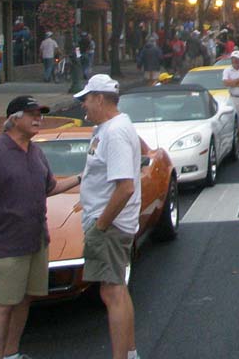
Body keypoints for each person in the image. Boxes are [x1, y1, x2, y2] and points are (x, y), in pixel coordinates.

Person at [0, 95, 80, 359]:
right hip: (5, 244)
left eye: (41, 114)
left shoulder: (36, 152)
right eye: (32, 114)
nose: (39, 119)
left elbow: (51, 188)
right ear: (14, 119)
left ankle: (12, 353)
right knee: (3, 305)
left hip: (36, 240)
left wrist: (82, 176)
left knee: (25, 299)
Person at [75, 74, 143, 359]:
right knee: (116, 289)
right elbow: (99, 173)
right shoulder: (111, 127)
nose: (84, 106)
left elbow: (124, 187)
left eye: (87, 99)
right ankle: (129, 353)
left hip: (110, 226)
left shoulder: (114, 132)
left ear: (100, 99)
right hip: (113, 224)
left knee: (111, 293)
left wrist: (101, 225)